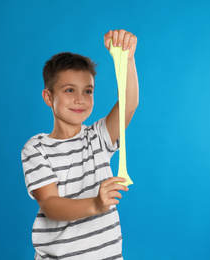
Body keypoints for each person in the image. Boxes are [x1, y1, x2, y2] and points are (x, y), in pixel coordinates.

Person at [21, 29, 139, 260]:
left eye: (88, 91)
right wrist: (95, 204)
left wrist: (127, 58)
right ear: (48, 97)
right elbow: (50, 204)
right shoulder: (36, 148)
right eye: (69, 90)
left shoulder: (98, 137)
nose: (80, 99)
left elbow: (129, 103)